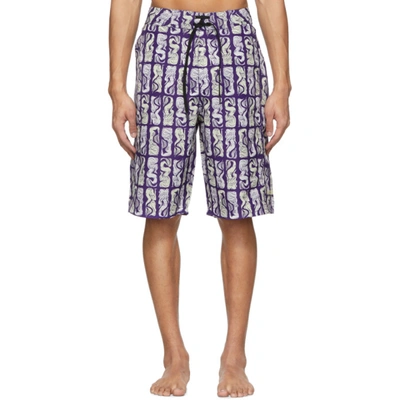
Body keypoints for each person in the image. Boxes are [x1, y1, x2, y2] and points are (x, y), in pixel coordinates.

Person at [108, 0, 291, 396]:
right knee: (158, 207)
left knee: (238, 208)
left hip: (234, 40)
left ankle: (234, 357)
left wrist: (282, 84)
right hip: (163, 43)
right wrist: (117, 87)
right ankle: (174, 355)